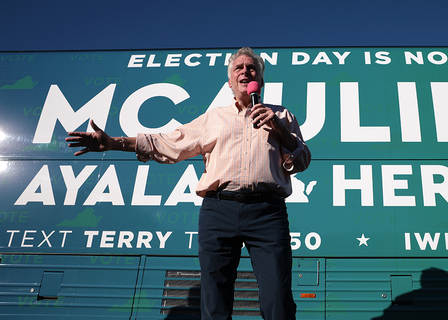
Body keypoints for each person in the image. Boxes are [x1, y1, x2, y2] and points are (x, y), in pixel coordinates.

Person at [66, 47, 311, 320]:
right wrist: (114, 143)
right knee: (214, 301)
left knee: (277, 297)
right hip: (219, 210)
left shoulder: (283, 116)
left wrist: (278, 127)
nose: (245, 70)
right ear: (230, 82)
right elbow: (170, 143)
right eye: (238, 68)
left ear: (260, 81)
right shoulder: (213, 118)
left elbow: (301, 161)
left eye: (251, 67)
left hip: (268, 212)